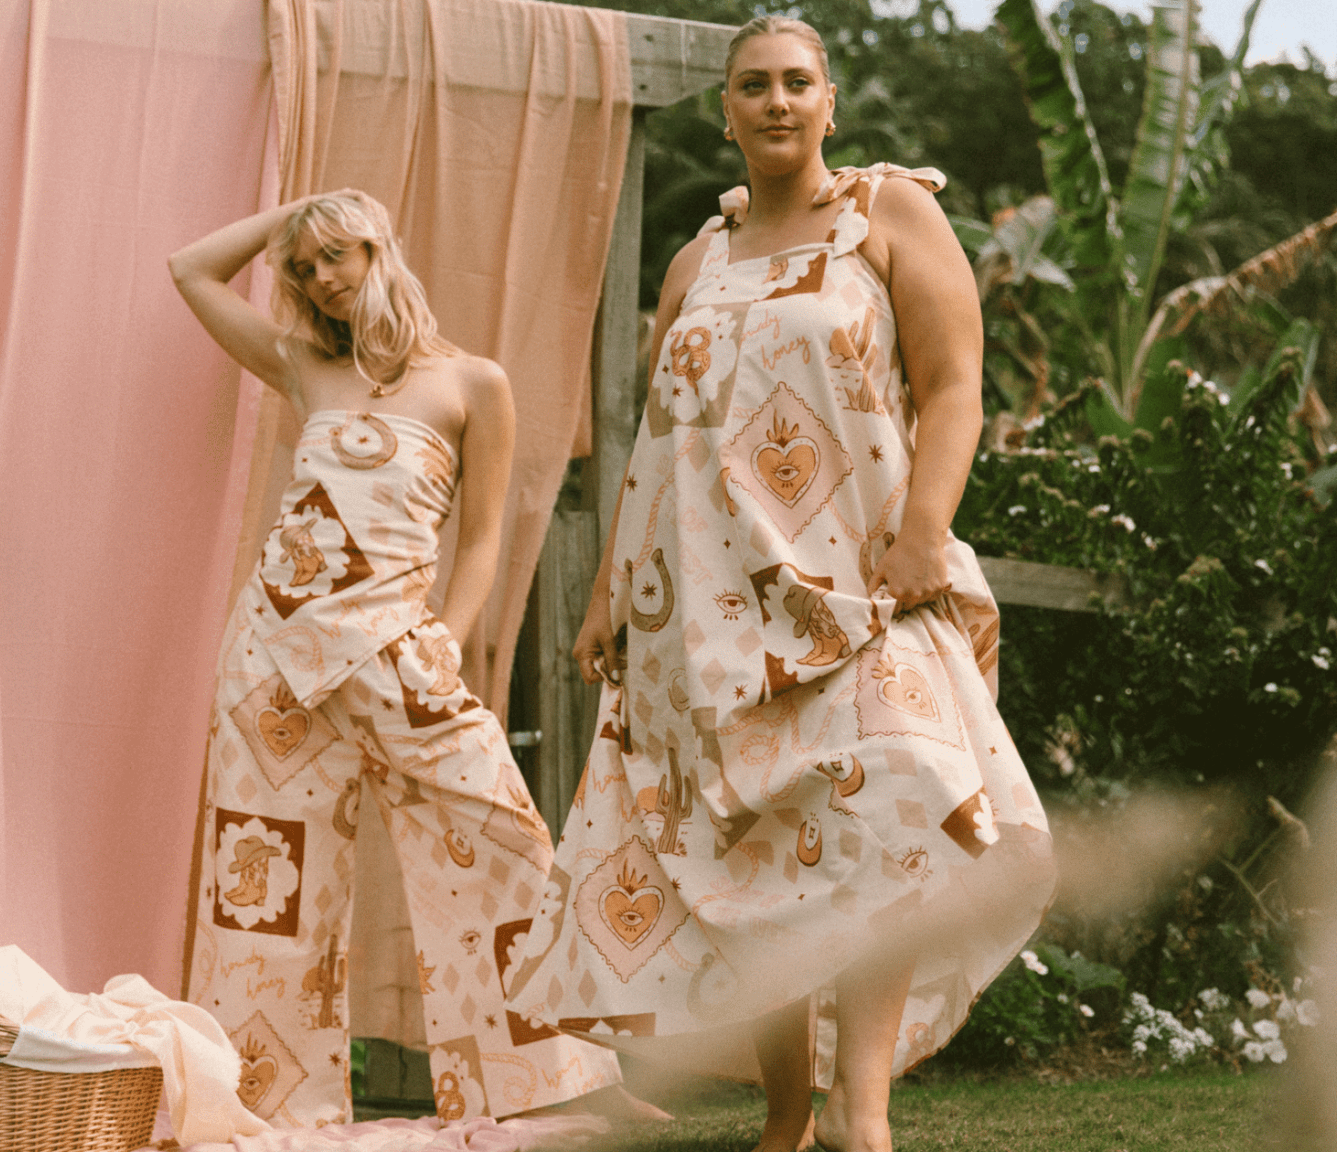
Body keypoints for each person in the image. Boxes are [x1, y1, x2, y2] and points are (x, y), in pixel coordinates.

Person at [501, 16, 1056, 1152]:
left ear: (829, 102)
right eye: (750, 85)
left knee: (896, 805)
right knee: (744, 855)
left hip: (858, 589)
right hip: (699, 611)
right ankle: (784, 1117)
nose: (773, 101)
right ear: (725, 109)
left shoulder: (888, 214)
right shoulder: (692, 265)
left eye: (795, 82)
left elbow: (955, 386)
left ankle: (863, 1115)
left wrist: (923, 534)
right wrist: (609, 589)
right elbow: (656, 441)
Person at [167, 190, 625, 1127]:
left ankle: (549, 1088)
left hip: (395, 651)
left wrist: (446, 640)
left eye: (337, 254)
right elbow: (190, 270)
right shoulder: (303, 366)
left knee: (502, 839)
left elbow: (485, 539)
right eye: (303, 268)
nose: (321, 279)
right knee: (267, 887)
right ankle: (270, 1107)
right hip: (272, 657)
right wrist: (295, 212)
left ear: (382, 247)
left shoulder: (471, 384)